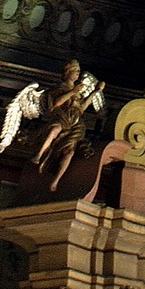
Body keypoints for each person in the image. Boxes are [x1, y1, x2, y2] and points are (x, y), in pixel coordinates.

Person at [32, 59, 104, 192]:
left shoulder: (77, 92)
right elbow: (57, 103)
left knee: (70, 151)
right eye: (75, 71)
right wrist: (72, 92)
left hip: (76, 122)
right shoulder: (59, 89)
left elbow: (82, 106)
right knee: (54, 129)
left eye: (78, 71)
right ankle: (39, 154)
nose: (78, 73)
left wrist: (96, 91)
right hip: (62, 117)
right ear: (67, 72)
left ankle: (56, 181)